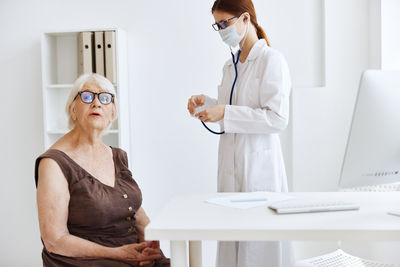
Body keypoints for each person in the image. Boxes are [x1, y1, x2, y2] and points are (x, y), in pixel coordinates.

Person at [187, 0, 294, 266]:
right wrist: (207, 103)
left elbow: (277, 119)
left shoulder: (271, 60)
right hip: (231, 170)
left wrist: (224, 112)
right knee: (232, 246)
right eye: (218, 25)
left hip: (260, 171)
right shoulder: (231, 65)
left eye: (225, 23)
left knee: (259, 251)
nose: (222, 30)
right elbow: (232, 109)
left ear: (245, 19)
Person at [35, 73, 170, 267]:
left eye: (105, 98)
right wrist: (119, 254)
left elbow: (136, 212)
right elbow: (54, 240)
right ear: (73, 110)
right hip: (85, 261)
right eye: (87, 96)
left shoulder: (117, 156)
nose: (97, 103)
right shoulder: (53, 163)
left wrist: (150, 245)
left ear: (112, 113)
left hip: (129, 254)